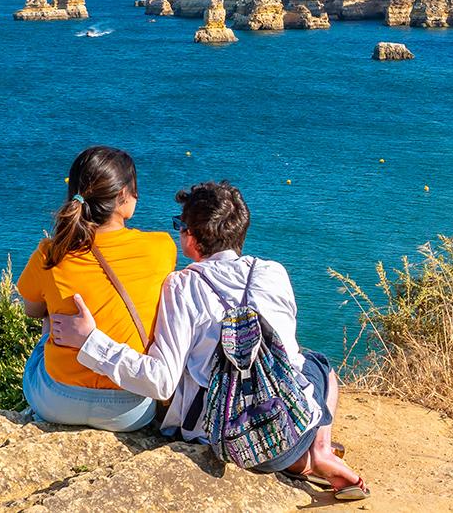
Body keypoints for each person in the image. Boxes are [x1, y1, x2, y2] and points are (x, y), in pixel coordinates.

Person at [47, 181, 370, 502]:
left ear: (190, 237)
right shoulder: (273, 272)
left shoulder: (183, 286)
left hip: (222, 435)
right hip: (294, 429)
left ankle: (306, 460)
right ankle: (321, 449)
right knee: (318, 365)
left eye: (180, 226)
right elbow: (287, 355)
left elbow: (161, 381)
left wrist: (91, 341)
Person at [17, 146, 175, 432]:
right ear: (123, 196)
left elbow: (31, 310)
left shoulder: (49, 253)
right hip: (131, 408)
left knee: (49, 316)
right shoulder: (162, 247)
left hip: (57, 402)